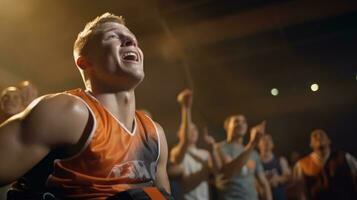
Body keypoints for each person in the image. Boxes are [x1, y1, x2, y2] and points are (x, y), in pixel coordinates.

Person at [0, 13, 171, 199]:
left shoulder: (156, 135)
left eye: (132, 39)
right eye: (113, 36)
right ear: (84, 61)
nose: (129, 40)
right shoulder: (69, 112)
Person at [214, 115, 272, 200]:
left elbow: (264, 183)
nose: (241, 124)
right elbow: (228, 171)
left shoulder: (254, 154)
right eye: (236, 121)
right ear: (227, 126)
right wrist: (252, 144)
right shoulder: (218, 148)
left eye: (244, 122)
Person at [169, 89, 214, 200]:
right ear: (180, 134)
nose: (192, 131)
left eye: (194, 129)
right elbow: (185, 139)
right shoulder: (176, 151)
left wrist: (213, 152)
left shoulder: (205, 153)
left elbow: (216, 174)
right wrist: (186, 108)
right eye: (188, 129)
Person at [293, 129, 357, 200]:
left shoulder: (345, 157)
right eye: (314, 136)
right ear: (311, 144)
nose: (318, 135)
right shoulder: (301, 165)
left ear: (329, 141)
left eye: (322, 135)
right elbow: (301, 192)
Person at [258, 134, 291, 200]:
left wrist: (277, 179)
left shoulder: (280, 160)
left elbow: (288, 177)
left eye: (269, 140)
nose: (266, 142)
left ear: (272, 144)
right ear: (258, 144)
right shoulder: (256, 162)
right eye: (263, 140)